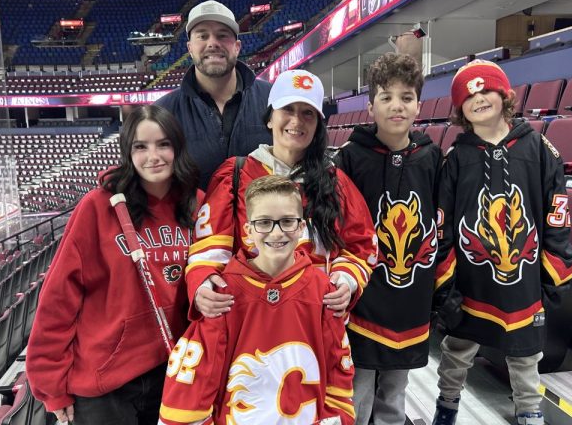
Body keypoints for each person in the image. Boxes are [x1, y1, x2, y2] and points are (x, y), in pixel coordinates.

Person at [26, 105, 203, 425]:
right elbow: (58, 298)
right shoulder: (97, 207)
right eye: (141, 146)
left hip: (174, 372)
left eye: (163, 144)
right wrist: (51, 386)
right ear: (128, 152)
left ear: (178, 147)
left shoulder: (197, 204)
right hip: (104, 382)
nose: (154, 156)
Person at [431, 60, 572, 425]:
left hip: (524, 279)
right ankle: (447, 406)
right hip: (471, 280)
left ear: (505, 95)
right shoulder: (455, 158)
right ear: (460, 109)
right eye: (469, 95)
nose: (479, 98)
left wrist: (554, 270)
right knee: (457, 349)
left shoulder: (540, 149)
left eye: (486, 90)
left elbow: (556, 213)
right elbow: (442, 225)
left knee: (526, 353)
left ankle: (529, 410)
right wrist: (445, 285)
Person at [158, 175, 355, 424]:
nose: (276, 232)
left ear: (301, 227)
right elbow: (192, 388)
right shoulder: (222, 294)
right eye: (264, 223)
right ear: (248, 230)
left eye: (286, 221)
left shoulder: (324, 290)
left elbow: (338, 370)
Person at [186, 69, 377, 321]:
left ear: (318, 124)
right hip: (251, 320)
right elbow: (209, 247)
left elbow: (361, 245)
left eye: (307, 113)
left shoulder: (335, 182)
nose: (297, 121)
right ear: (269, 118)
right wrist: (205, 284)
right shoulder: (235, 175)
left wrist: (345, 282)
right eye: (288, 109)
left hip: (315, 321)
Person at [335, 52, 443, 425]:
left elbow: (439, 224)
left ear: (419, 104)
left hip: (411, 295)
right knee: (358, 387)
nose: (396, 106)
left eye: (406, 97)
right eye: (386, 97)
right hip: (363, 295)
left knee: (396, 389)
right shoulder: (348, 159)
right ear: (370, 106)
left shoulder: (432, 157)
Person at [155, 0, 272, 189]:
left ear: (237, 46)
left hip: (265, 218)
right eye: (203, 36)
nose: (213, 43)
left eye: (222, 35)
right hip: (192, 218)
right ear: (190, 48)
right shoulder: (162, 112)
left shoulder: (273, 99)